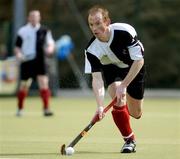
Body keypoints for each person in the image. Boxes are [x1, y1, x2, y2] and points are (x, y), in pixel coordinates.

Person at [85, 5, 145, 153]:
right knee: (118, 101)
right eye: (91, 24)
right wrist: (100, 106)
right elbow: (97, 79)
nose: (95, 28)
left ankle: (125, 110)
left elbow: (139, 61)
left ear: (107, 21)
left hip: (132, 67)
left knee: (136, 113)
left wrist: (124, 85)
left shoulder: (123, 32)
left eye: (98, 23)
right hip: (111, 68)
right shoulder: (91, 50)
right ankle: (129, 140)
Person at [14, 10, 55, 117]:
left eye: (36, 16)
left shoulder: (45, 30)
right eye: (32, 16)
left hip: (41, 60)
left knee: (44, 83)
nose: (34, 18)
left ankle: (46, 109)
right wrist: (18, 54)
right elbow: (17, 47)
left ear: (39, 18)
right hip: (27, 61)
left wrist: (50, 49)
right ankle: (20, 108)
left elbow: (50, 43)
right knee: (24, 85)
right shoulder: (23, 31)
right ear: (28, 18)